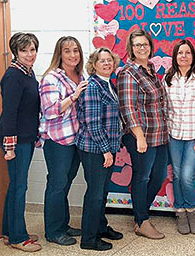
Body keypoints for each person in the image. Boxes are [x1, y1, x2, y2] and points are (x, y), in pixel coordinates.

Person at [117, 29, 168, 239]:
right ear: (131, 48)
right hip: (141, 136)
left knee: (159, 176)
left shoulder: (151, 69)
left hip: (160, 134)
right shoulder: (127, 73)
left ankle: (141, 213)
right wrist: (139, 137)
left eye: (145, 44)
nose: (142, 48)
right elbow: (128, 108)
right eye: (137, 45)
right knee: (142, 176)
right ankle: (141, 220)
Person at [39, 36, 87, 246]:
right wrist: (74, 96)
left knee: (65, 183)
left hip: (75, 139)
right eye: (67, 51)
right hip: (57, 141)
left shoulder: (79, 75)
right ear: (60, 54)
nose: (73, 55)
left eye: (75, 50)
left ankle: (63, 224)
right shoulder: (51, 78)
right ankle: (53, 231)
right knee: (57, 185)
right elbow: (50, 110)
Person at [0, 32, 42, 252]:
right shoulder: (14, 76)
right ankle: (18, 237)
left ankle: (9, 231)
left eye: (32, 49)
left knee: (16, 185)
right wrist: (10, 147)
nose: (29, 54)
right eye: (24, 50)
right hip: (15, 139)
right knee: (19, 187)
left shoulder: (28, 73)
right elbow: (10, 114)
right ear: (16, 52)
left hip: (24, 137)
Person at [75, 48, 123, 251]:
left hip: (106, 148)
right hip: (94, 149)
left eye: (109, 60)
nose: (106, 63)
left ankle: (101, 227)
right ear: (93, 65)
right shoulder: (92, 86)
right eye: (101, 61)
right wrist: (106, 150)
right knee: (95, 193)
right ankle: (89, 238)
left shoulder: (108, 84)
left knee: (102, 192)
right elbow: (93, 123)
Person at [163, 40, 195, 235]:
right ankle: (180, 212)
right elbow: (164, 107)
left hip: (193, 136)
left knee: (187, 176)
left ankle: (192, 210)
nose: (183, 56)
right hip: (173, 134)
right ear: (175, 56)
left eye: (187, 53)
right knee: (176, 174)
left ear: (193, 56)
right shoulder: (168, 78)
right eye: (180, 53)